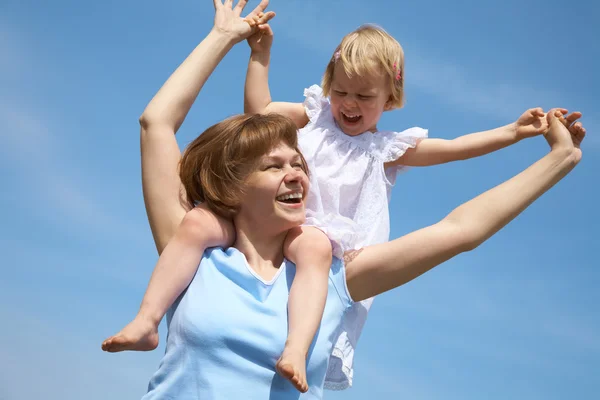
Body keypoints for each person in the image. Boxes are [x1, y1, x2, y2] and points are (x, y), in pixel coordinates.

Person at [103, 0, 586, 397]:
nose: (297, 173)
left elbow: (459, 231)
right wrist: (227, 38)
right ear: (236, 186)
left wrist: (555, 158)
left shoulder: (331, 275)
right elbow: (156, 124)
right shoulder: (195, 254)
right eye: (275, 165)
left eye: (299, 165)